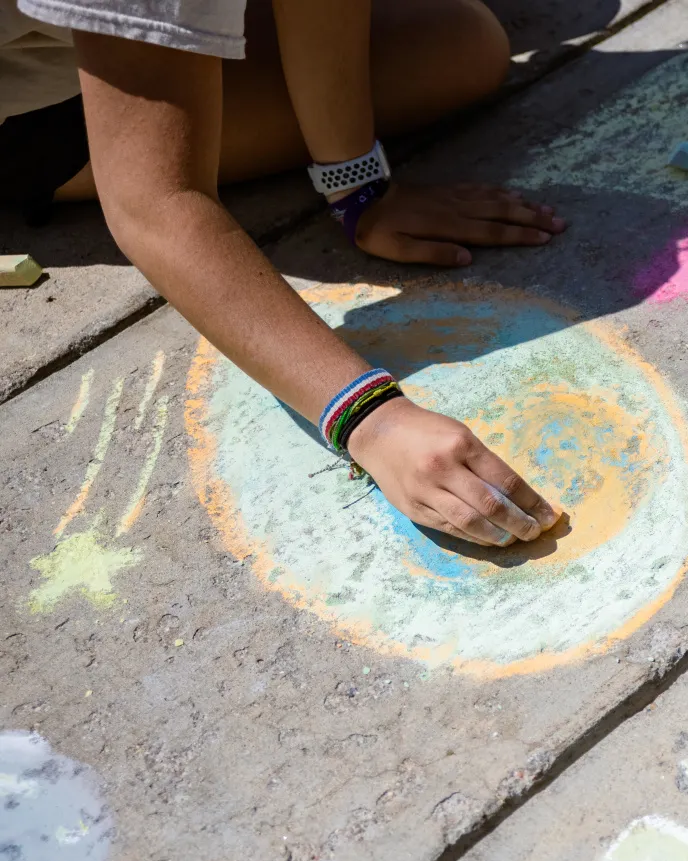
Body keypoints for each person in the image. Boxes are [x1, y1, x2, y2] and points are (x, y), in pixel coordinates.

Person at [1, 0, 564, 546]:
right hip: (34, 114)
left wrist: (356, 181)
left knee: (463, 43)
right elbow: (157, 203)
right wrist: (370, 418)